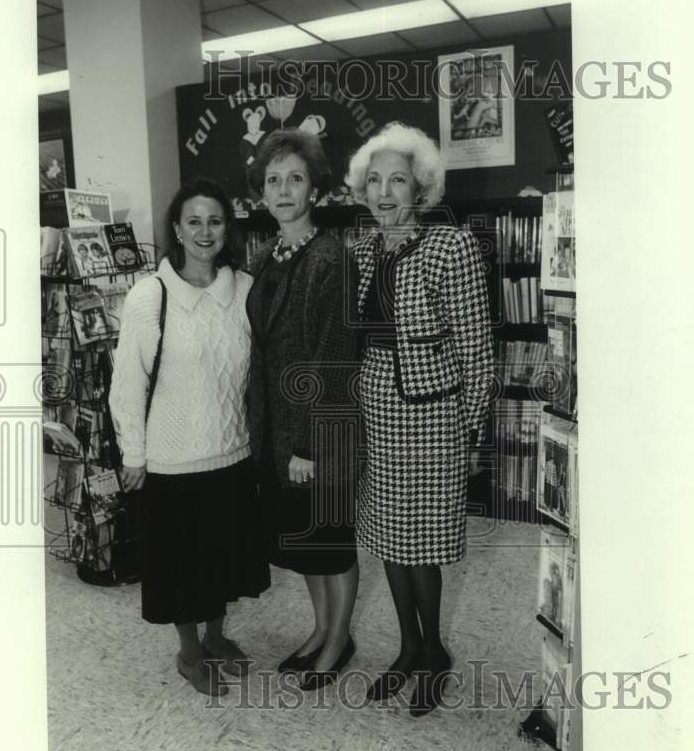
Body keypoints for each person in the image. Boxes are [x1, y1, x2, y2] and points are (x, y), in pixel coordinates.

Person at [346, 121, 494, 717]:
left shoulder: (450, 247)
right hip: (377, 410)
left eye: (398, 180)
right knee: (389, 537)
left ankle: (434, 653)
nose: (384, 192)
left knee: (422, 543)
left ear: (421, 187)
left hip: (433, 416)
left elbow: (477, 349)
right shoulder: (361, 249)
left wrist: (473, 432)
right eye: (374, 180)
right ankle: (408, 646)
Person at [109, 177, 270, 697]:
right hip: (172, 461)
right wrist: (133, 453)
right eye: (193, 221)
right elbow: (127, 382)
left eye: (214, 221)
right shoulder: (148, 296)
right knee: (182, 569)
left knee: (222, 562)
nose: (204, 231)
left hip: (232, 452)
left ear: (227, 229)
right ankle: (189, 653)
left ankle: (217, 638)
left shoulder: (244, 289)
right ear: (176, 229)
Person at [246, 129, 360, 691]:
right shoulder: (266, 255)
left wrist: (309, 446)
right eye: (273, 180)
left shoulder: (331, 257)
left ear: (314, 188)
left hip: (320, 432)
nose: (284, 189)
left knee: (331, 543)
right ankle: (319, 630)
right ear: (262, 192)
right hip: (277, 430)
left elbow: (335, 356)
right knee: (307, 544)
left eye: (295, 178)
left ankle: (339, 641)